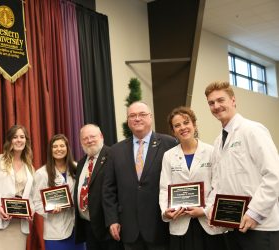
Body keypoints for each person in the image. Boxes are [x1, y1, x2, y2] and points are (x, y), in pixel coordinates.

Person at [205, 81, 279, 250]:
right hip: (231, 227)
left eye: (220, 100)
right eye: (211, 103)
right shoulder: (218, 142)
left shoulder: (252, 130)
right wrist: (212, 209)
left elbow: (274, 175)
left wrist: (255, 213)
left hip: (259, 227)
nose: (216, 106)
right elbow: (218, 182)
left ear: (233, 100)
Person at [103, 101, 177, 250]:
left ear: (150, 117)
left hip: (160, 227)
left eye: (142, 114)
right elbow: (108, 189)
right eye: (132, 115)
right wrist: (112, 220)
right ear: (128, 121)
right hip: (129, 229)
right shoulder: (115, 151)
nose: (137, 118)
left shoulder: (169, 144)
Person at [159, 106, 227, 250]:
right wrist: (166, 211)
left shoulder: (211, 151)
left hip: (208, 222)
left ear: (194, 125)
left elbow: (219, 185)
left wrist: (204, 210)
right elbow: (164, 188)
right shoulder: (168, 156)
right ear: (173, 131)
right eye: (177, 125)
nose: (182, 127)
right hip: (180, 222)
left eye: (186, 122)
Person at [0, 125, 34, 250]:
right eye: (15, 137)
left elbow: (31, 196)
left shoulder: (30, 167)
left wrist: (31, 211)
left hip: (19, 226)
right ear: (9, 140)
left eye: (22, 137)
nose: (19, 140)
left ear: (26, 140)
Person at [74, 124, 124, 250]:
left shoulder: (113, 155)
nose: (89, 140)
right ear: (81, 141)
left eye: (92, 136)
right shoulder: (81, 163)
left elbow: (119, 191)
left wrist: (114, 220)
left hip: (109, 227)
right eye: (85, 138)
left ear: (101, 136)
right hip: (89, 227)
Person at [33, 134, 84, 250]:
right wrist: (50, 209)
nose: (59, 149)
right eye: (55, 146)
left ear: (67, 148)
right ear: (50, 150)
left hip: (77, 230)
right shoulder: (42, 173)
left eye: (62, 146)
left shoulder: (77, 168)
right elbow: (36, 202)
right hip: (55, 232)